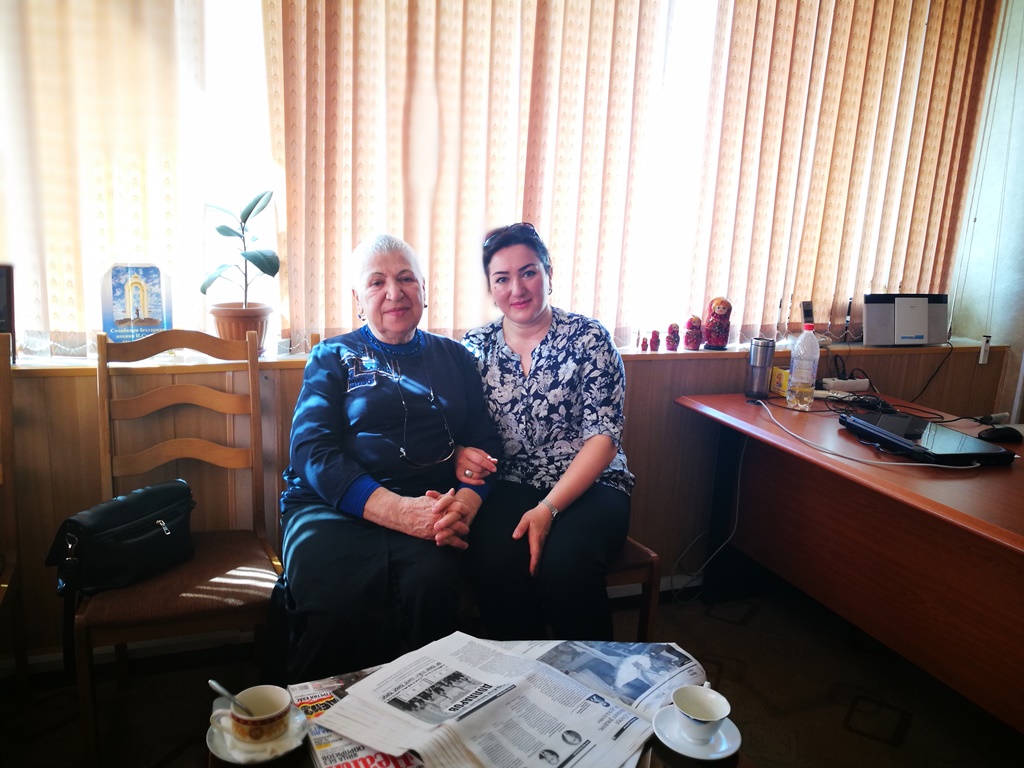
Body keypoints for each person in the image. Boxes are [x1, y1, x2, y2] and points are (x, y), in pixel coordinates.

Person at [278, 234, 502, 683]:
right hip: (333, 506)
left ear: (424, 288)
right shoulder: (332, 356)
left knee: (432, 589)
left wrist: (465, 504)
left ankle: (423, 711)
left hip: (429, 506)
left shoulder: (455, 358)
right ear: (358, 299)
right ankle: (329, 716)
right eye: (377, 282)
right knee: (336, 605)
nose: (394, 293)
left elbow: (484, 443)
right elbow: (310, 449)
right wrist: (398, 511)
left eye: (405, 279)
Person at [459, 222, 634, 640]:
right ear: (491, 288)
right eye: (502, 278)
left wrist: (548, 509)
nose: (517, 288)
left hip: (591, 484)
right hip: (509, 483)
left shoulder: (589, 339)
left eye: (528, 272)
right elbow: (460, 424)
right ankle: (521, 672)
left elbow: (603, 437)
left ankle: (592, 676)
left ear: (548, 274)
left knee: (567, 567)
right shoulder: (475, 347)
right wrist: (461, 451)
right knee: (493, 564)